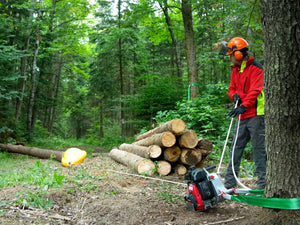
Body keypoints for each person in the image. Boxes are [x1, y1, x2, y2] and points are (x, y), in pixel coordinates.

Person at [224, 37, 266, 190]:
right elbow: (232, 88)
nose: (230, 57)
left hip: (256, 115)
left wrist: (244, 106)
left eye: (231, 54)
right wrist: (234, 96)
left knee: (259, 150)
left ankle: (263, 185)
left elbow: (255, 90)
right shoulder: (235, 70)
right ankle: (229, 184)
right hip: (242, 115)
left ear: (238, 54)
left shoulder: (256, 68)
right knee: (235, 149)